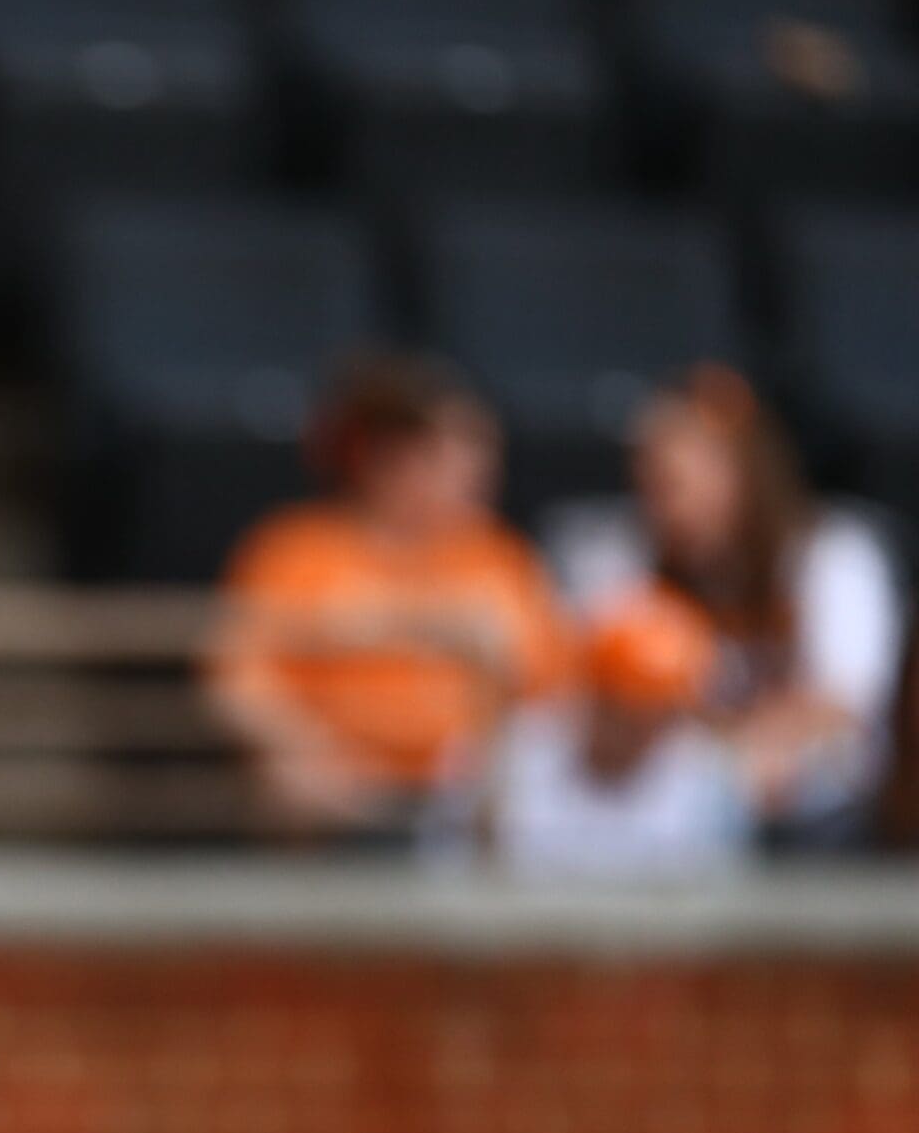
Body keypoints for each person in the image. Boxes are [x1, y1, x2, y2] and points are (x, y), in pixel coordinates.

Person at [210, 354, 572, 838]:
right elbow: (237, 682)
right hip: (337, 793)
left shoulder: (500, 560)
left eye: (480, 451)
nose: (474, 471)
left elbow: (551, 694)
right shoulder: (298, 549)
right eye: (445, 452)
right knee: (286, 789)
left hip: (465, 794)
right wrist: (306, 749)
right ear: (381, 457)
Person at [545, 365, 907, 847]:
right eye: (649, 478)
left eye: (675, 480)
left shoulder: (833, 553)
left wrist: (733, 755)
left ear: (740, 471)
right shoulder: (619, 554)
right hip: (665, 814)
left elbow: (842, 703)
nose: (660, 501)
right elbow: (591, 698)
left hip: (822, 820)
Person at [451, 585, 753, 879]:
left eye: (661, 712)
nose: (642, 727)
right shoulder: (521, 754)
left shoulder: (704, 780)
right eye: (627, 707)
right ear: (594, 694)